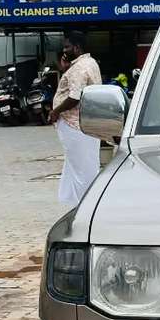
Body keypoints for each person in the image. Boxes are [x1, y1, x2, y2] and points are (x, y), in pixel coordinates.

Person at [48, 31, 102, 207]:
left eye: (67, 46)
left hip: (75, 124)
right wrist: (65, 70)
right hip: (87, 122)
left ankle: (85, 206)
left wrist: (56, 111)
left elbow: (75, 97)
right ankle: (71, 202)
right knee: (76, 165)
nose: (64, 50)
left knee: (82, 168)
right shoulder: (89, 62)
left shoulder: (79, 68)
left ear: (77, 48)